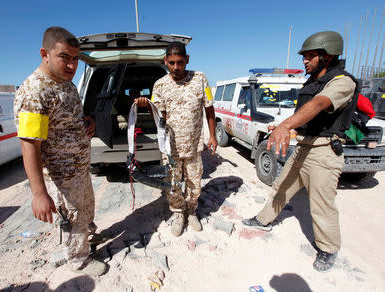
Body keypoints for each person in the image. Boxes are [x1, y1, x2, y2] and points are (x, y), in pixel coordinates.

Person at [242, 31, 358, 272]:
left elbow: (319, 104)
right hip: (304, 146)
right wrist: (284, 125)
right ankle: (263, 220)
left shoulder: (343, 81)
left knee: (321, 204)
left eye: (310, 56)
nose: (305, 61)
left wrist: (286, 126)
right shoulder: (312, 81)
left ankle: (328, 248)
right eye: (304, 56)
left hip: (324, 152)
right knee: (281, 186)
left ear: (328, 56)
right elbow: (306, 114)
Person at [14, 26, 107, 276]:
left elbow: (66, 118)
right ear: (45, 53)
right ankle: (79, 260)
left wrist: (86, 121)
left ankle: (84, 242)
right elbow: (29, 144)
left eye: (76, 58)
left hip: (78, 169)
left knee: (84, 211)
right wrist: (38, 193)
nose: (72, 65)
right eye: (65, 57)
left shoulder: (64, 83)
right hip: (61, 176)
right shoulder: (35, 92)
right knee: (73, 217)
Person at [135, 42, 217, 236]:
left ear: (187, 59)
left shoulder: (201, 79)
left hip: (194, 145)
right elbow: (158, 117)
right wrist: (146, 105)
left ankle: (192, 211)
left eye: (180, 62)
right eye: (171, 63)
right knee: (172, 184)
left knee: (194, 183)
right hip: (170, 147)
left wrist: (212, 135)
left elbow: (209, 108)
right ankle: (178, 213)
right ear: (165, 61)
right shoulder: (160, 85)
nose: (176, 67)